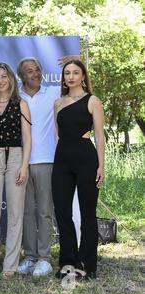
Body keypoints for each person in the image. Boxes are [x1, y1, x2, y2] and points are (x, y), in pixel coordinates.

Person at [53, 60, 105, 280]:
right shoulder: (58, 103)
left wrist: (102, 165)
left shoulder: (93, 101)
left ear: (83, 76)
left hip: (86, 158)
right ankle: (67, 262)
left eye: (76, 72)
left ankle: (87, 264)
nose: (71, 76)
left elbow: (100, 136)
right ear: (63, 77)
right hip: (62, 159)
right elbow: (57, 135)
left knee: (87, 214)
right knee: (62, 213)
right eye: (67, 73)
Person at [0, 62, 32, 279]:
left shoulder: (21, 104)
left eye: (4, 76)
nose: (0, 81)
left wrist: (24, 166)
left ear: (11, 78)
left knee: (14, 213)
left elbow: (28, 138)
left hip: (15, 158)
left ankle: (10, 266)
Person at [15, 57, 60, 277]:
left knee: (44, 212)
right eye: (30, 71)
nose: (35, 74)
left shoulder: (53, 93)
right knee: (26, 213)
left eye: (38, 70)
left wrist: (76, 61)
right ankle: (30, 257)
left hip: (46, 161)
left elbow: (84, 90)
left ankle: (44, 258)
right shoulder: (14, 96)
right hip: (19, 163)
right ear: (21, 76)